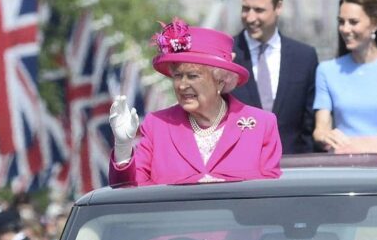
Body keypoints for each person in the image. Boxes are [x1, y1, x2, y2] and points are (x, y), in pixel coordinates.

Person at [108, 20, 282, 186]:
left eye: (192, 76)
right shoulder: (157, 125)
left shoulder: (262, 125)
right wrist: (123, 148)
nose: (182, 85)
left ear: (220, 80)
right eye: (177, 76)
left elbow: (270, 197)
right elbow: (130, 193)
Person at [230, 0, 319, 154]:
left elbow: (309, 124)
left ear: (278, 7)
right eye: (245, 9)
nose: (250, 17)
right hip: (238, 172)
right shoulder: (225, 54)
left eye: (259, 10)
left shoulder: (304, 58)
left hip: (292, 170)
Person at [313, 0, 377, 153]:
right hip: (346, 169)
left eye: (353, 22)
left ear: (373, 24)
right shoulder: (327, 71)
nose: (345, 29)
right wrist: (324, 136)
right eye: (341, 22)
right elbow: (321, 128)